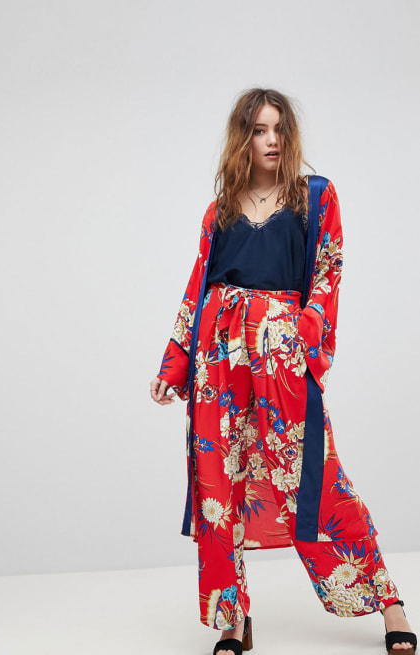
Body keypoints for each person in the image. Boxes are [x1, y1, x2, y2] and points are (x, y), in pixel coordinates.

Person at [149, 88, 417, 655]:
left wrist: (299, 337)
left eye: (278, 129)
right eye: (259, 130)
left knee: (319, 480)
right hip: (218, 360)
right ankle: (232, 620)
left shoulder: (314, 197)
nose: (271, 140)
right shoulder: (219, 211)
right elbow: (197, 288)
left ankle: (388, 603)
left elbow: (327, 275)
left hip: (280, 357)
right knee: (219, 485)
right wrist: (174, 364)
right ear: (242, 139)